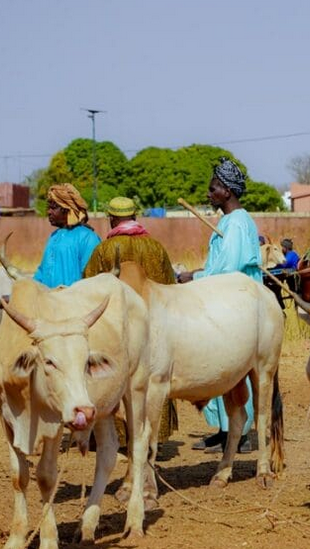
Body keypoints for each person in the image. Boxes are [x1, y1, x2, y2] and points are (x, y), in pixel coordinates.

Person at [177, 158, 260, 454]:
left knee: (233, 369)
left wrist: (193, 277)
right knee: (220, 366)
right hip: (221, 302)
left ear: (226, 190)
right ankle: (225, 430)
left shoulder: (237, 222)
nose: (209, 194)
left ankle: (240, 433)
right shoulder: (228, 221)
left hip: (235, 305)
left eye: (213, 189)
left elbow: (229, 267)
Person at [83, 196, 178, 446]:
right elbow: (170, 287)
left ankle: (122, 438)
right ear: (135, 217)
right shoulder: (155, 247)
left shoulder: (103, 250)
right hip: (154, 328)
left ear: (112, 219)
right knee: (154, 378)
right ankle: (153, 435)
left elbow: (89, 289)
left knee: (119, 379)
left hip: (118, 331)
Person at [34, 184, 101, 288]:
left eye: (53, 208)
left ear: (67, 209)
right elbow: (42, 273)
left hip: (73, 302)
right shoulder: (54, 237)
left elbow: (91, 279)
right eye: (49, 208)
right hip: (49, 301)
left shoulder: (88, 238)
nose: (49, 212)